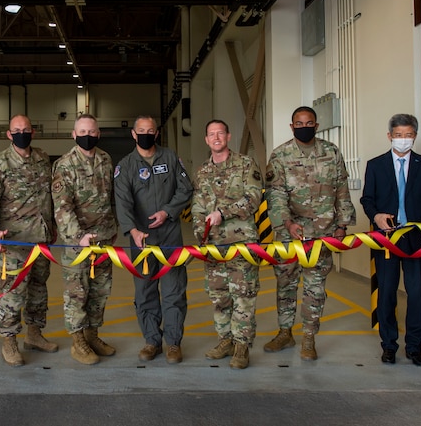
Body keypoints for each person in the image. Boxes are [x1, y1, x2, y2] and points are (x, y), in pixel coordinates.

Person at [263, 106, 355, 361]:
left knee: (315, 288)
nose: (304, 127)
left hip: (322, 233)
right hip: (289, 234)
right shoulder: (280, 155)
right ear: (292, 127)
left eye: (309, 123)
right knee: (285, 284)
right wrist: (287, 224)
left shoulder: (331, 152)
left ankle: (308, 337)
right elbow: (276, 194)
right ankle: (285, 332)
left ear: (316, 125)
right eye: (299, 123)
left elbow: (341, 190)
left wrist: (342, 225)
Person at [360, 114, 421, 366]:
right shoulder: (375, 165)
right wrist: (376, 216)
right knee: (386, 293)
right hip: (386, 239)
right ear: (389, 136)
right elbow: (367, 199)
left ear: (415, 136)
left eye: (408, 135)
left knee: (416, 293)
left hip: (417, 240)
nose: (403, 140)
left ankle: (414, 346)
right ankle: (389, 346)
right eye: (398, 135)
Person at [0, 114, 58, 367]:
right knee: (12, 295)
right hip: (12, 242)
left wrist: (53, 227)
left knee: (38, 291)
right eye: (16, 130)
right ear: (9, 135)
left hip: (40, 240)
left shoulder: (43, 159)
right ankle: (9, 341)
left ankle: (34, 335)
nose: (22, 133)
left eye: (26, 129)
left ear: (32, 132)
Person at [114, 116, 193, 363]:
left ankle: (173, 343)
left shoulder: (170, 158)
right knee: (145, 291)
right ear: (134, 135)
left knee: (174, 291)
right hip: (142, 240)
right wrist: (132, 231)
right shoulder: (126, 166)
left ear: (156, 134)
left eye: (150, 130)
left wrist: (168, 211)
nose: (146, 134)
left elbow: (185, 188)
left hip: (169, 236)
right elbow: (122, 202)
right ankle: (151, 341)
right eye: (141, 131)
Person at [191, 120, 262, 369]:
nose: (216, 137)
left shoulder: (245, 165)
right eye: (211, 134)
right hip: (213, 246)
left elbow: (253, 198)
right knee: (219, 297)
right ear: (206, 140)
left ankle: (242, 346)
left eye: (220, 133)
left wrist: (224, 212)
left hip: (241, 242)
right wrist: (201, 236)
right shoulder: (202, 172)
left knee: (243, 296)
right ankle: (225, 340)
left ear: (228, 136)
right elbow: (198, 207)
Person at [52, 114, 118, 365]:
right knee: (77, 293)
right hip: (77, 243)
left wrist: (113, 229)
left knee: (100, 291)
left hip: (103, 240)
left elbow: (110, 198)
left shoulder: (105, 159)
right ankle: (78, 341)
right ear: (73, 134)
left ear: (98, 134)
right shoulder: (64, 165)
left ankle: (92, 335)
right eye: (82, 132)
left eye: (91, 132)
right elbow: (62, 207)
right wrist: (78, 237)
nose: (87, 136)